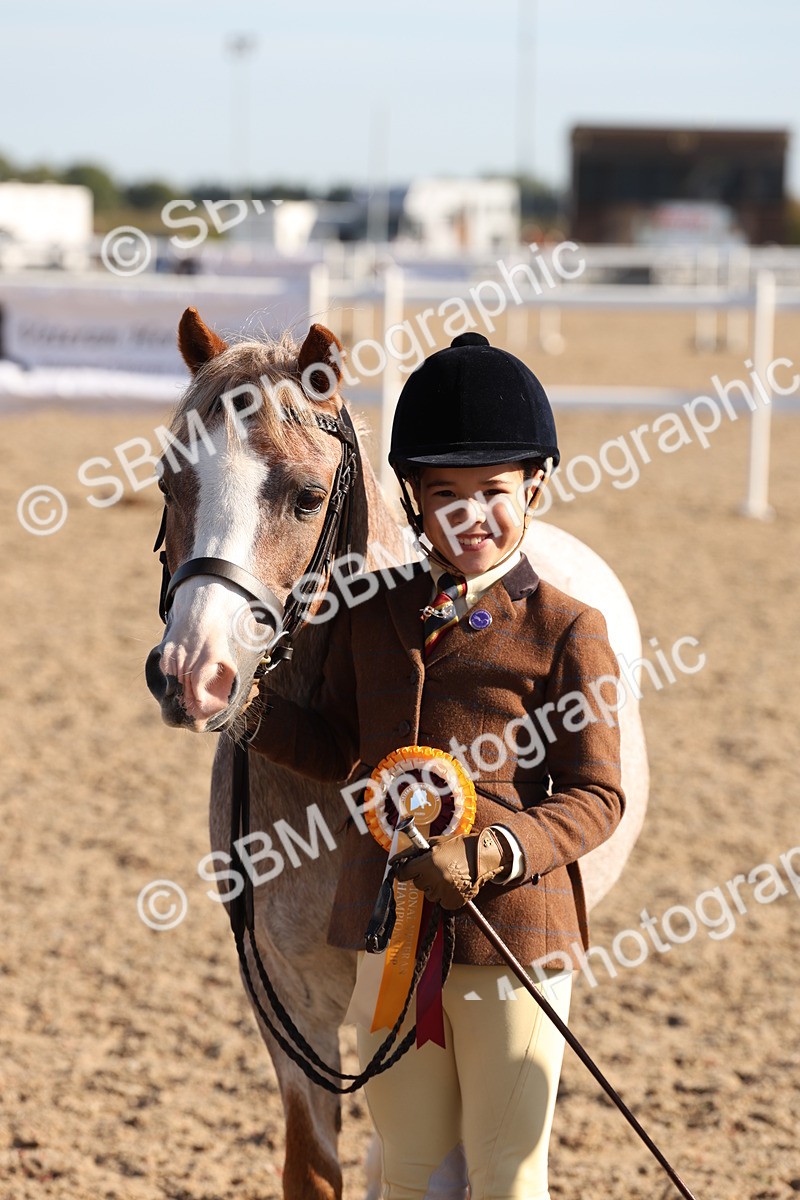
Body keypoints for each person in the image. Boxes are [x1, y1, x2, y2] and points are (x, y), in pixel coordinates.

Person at [245, 331, 625, 1200]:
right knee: (410, 1167)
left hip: (511, 935)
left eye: (492, 493)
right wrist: (252, 716)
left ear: (535, 489)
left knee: (503, 1171)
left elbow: (597, 796)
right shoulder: (372, 615)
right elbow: (343, 750)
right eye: (444, 495)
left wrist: (494, 854)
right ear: (413, 502)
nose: (469, 516)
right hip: (390, 933)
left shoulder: (568, 628)